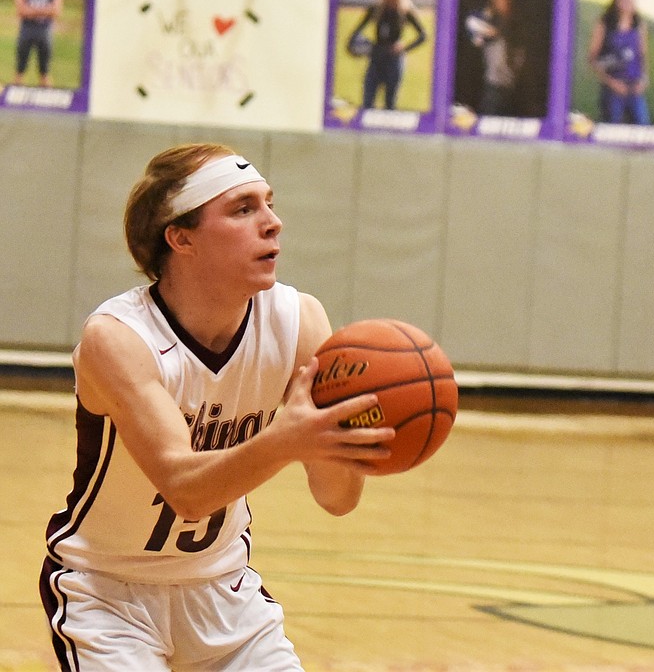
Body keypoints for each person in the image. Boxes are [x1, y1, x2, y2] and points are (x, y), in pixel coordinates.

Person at [40, 143, 398, 670]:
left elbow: (335, 499)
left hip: (224, 593)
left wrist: (352, 440)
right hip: (109, 595)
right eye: (243, 209)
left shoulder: (299, 321)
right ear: (181, 238)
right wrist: (287, 439)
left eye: (269, 204)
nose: (273, 223)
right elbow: (186, 489)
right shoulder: (118, 339)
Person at [351, 0, 426, 111]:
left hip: (394, 58)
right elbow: (356, 33)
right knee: (368, 101)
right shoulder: (376, 8)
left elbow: (423, 35)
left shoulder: (405, 10)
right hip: (377, 56)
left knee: (390, 103)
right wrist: (364, 46)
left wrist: (404, 47)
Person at [587, 0, 650, 125]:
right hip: (613, 88)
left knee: (643, 126)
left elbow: (643, 55)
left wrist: (644, 79)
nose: (627, 0)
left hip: (635, 87)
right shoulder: (604, 23)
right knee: (611, 128)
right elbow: (592, 58)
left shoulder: (639, 24)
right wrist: (612, 82)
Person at [464, 0, 525, 116]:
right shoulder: (489, 19)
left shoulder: (516, 23)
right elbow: (473, 27)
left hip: (514, 88)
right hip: (494, 86)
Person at [13, 0, 64, 88]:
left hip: (45, 30)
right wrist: (45, 10)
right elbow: (21, 10)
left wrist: (32, 10)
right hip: (27, 29)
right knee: (20, 68)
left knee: (45, 70)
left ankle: (47, 101)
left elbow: (56, 11)